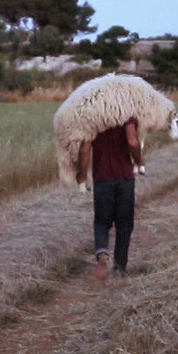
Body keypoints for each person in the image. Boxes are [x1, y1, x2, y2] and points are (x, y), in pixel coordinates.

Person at [76, 116, 144, 280]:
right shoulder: (127, 114)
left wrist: (82, 175)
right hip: (124, 178)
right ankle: (120, 268)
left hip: (102, 178)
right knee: (124, 225)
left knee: (101, 222)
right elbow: (133, 142)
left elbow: (85, 149)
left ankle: (102, 255)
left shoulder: (93, 117)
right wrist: (140, 161)